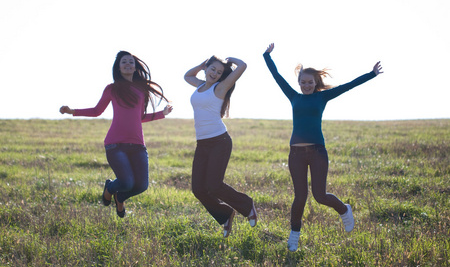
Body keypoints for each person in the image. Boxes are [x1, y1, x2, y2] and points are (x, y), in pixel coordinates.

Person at [263, 43, 383, 251]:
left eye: (310, 82)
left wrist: (371, 74)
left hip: (318, 152)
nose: (306, 85)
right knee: (300, 197)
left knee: (320, 195)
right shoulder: (294, 97)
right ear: (299, 83)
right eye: (303, 82)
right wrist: (267, 56)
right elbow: (277, 77)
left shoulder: (322, 97)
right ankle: (294, 233)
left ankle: (344, 210)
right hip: (296, 154)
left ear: (316, 82)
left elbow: (348, 86)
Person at [60, 50, 172, 218]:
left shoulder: (141, 90)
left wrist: (162, 113)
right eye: (124, 62)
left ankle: (120, 197)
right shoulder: (112, 89)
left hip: (137, 146)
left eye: (131, 62)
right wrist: (72, 111)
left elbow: (140, 117)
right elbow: (97, 111)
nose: (128, 64)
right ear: (118, 68)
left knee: (141, 185)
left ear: (135, 68)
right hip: (115, 145)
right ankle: (110, 187)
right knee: (126, 182)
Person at [184, 55, 257, 237]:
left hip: (219, 141)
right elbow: (187, 76)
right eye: (212, 69)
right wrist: (201, 65)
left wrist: (230, 59)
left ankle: (247, 206)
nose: (215, 74)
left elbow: (243, 66)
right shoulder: (200, 85)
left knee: (214, 185)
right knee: (198, 189)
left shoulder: (221, 88)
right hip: (202, 143)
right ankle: (224, 215)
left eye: (219, 72)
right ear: (207, 68)